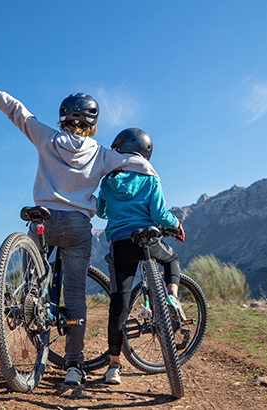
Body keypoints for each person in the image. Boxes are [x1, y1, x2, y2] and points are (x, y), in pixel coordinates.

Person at [0, 63, 159, 386]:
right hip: (76, 226)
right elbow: (136, 162)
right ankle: (74, 366)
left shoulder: (46, 138)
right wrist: (151, 173)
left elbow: (19, 112)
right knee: (74, 295)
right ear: (93, 124)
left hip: (42, 219)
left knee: (35, 276)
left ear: (63, 119)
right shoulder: (102, 154)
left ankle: (29, 301)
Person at [96, 128, 185, 385]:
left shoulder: (109, 180)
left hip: (121, 243)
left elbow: (101, 212)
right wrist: (175, 223)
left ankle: (114, 367)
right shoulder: (150, 177)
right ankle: (172, 298)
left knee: (119, 306)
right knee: (171, 260)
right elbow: (159, 213)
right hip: (147, 239)